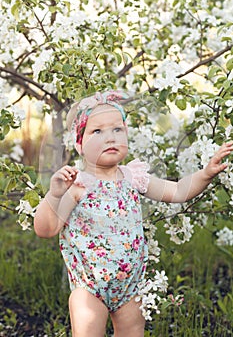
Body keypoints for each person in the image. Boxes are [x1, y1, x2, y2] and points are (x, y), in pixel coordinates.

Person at [34, 90, 233, 337]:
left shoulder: (133, 177)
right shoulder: (78, 186)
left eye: (118, 129)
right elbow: (46, 229)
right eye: (97, 131)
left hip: (131, 286)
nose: (110, 138)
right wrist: (53, 195)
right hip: (89, 288)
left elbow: (179, 191)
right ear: (79, 144)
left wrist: (206, 173)